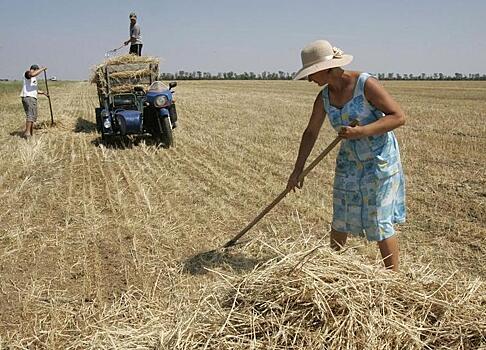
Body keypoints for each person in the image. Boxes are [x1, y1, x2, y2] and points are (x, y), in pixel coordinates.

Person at [287, 40, 406, 271]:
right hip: (349, 161)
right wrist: (297, 170)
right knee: (341, 214)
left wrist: (362, 131)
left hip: (378, 160)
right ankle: (333, 269)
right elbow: (310, 132)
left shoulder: (365, 84)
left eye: (311, 74)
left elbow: (398, 117)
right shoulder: (324, 97)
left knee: (379, 217)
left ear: (326, 69)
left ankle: (393, 278)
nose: (310, 79)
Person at [19, 65, 48, 139]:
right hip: (29, 97)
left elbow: (35, 90)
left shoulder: (33, 79)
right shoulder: (27, 73)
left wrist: (44, 93)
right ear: (34, 69)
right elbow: (32, 74)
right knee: (30, 115)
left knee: (33, 116)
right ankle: (27, 133)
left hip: (32, 98)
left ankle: (31, 133)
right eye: (36, 70)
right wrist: (42, 69)